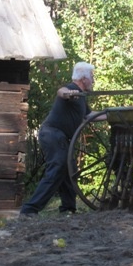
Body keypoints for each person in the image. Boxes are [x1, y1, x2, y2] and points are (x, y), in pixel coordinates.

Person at [20, 62, 99, 217]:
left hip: (60, 137)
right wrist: (68, 95)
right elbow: (61, 91)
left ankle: (68, 209)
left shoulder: (81, 97)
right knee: (58, 167)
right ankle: (29, 209)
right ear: (84, 78)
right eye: (92, 77)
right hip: (52, 134)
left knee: (69, 169)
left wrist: (113, 113)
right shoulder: (72, 89)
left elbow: (90, 116)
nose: (93, 80)